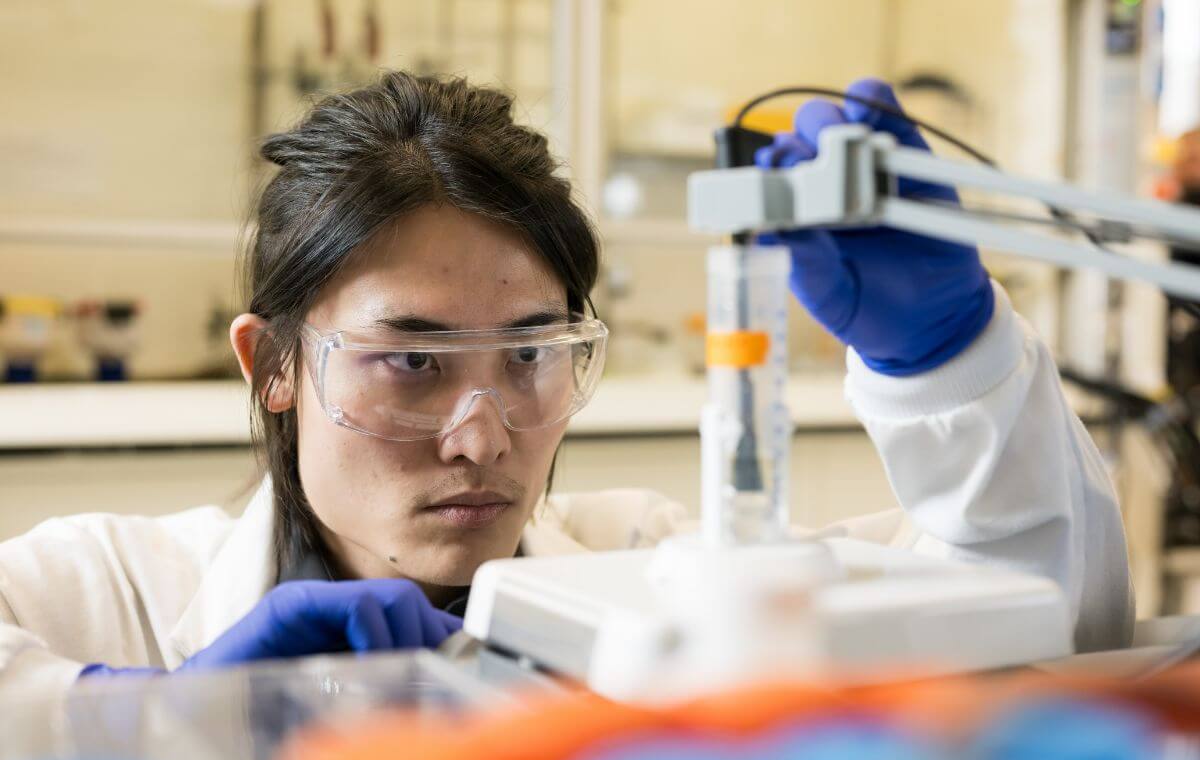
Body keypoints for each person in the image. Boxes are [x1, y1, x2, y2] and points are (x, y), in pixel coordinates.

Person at [0, 73, 1133, 707]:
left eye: (533, 353)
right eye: (414, 361)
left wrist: (949, 357)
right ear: (275, 366)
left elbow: (1041, 630)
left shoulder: (642, 570)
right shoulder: (109, 591)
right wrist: (138, 708)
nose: (481, 437)